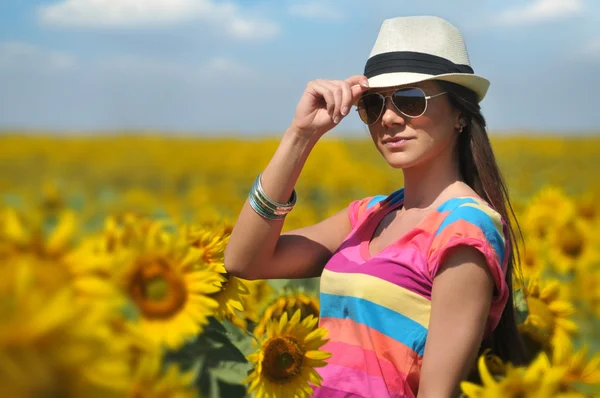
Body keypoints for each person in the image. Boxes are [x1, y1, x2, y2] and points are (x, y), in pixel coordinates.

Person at [224, 15, 530, 398]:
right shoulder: (370, 215)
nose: (387, 118)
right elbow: (245, 260)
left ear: (460, 114)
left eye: (411, 100)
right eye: (372, 104)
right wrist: (301, 135)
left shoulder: (464, 231)